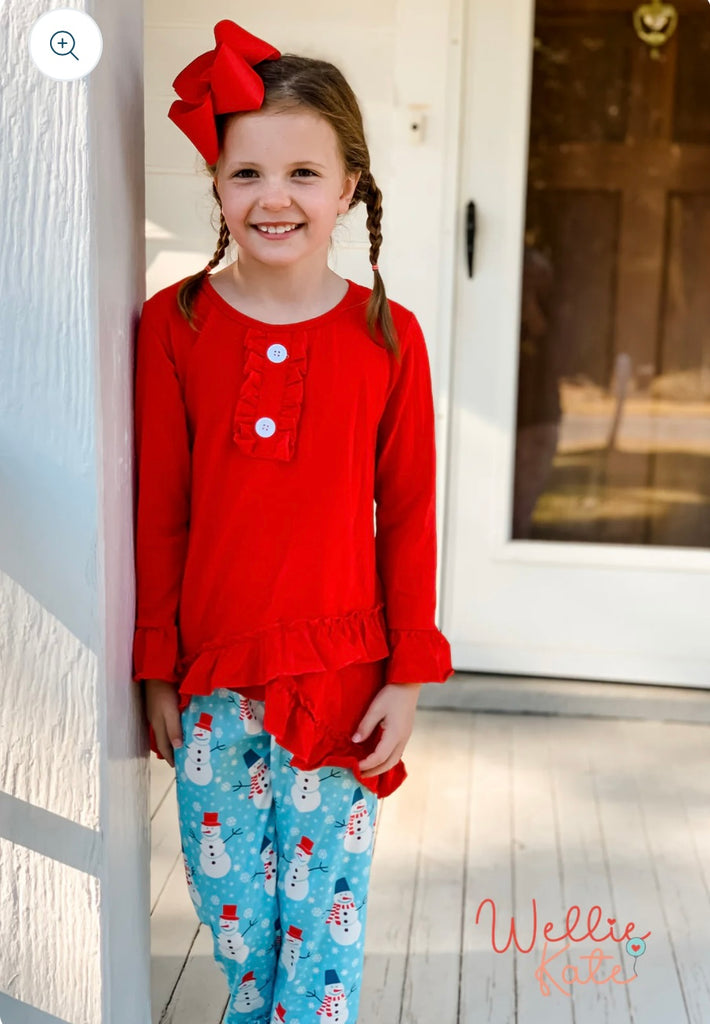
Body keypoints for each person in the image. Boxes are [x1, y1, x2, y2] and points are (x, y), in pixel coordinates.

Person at [132, 19, 453, 1023]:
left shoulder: (389, 337)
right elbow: (159, 509)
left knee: (320, 943)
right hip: (211, 679)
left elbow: (408, 515)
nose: (274, 197)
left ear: (348, 186)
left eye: (303, 173)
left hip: (339, 680)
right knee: (237, 928)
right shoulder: (176, 324)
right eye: (247, 173)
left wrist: (406, 673)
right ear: (217, 186)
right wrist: (156, 663)